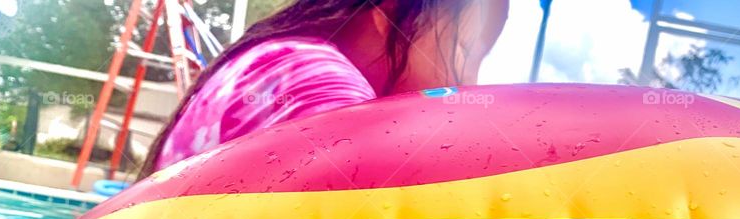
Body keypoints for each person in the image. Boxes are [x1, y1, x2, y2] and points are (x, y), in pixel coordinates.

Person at [139, 0, 509, 176]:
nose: (470, 81)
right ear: (392, 10)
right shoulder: (312, 76)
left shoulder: (278, 56)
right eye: (467, 50)